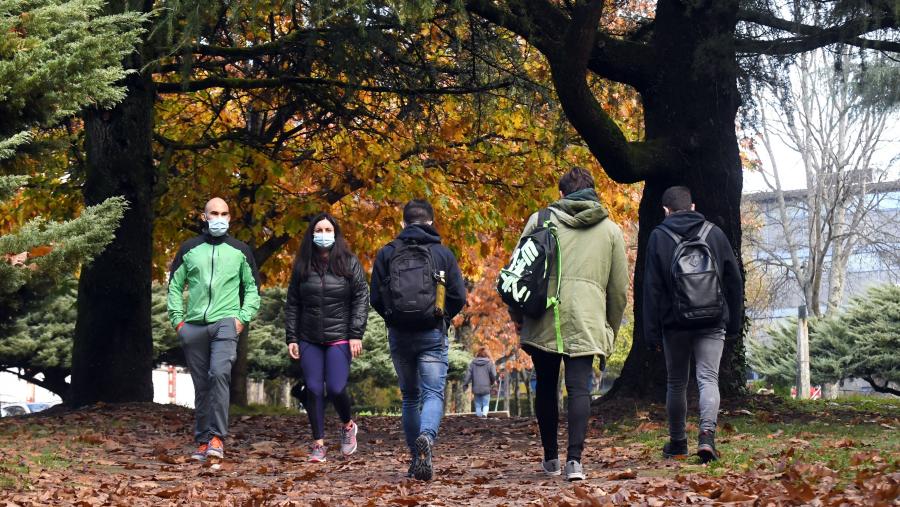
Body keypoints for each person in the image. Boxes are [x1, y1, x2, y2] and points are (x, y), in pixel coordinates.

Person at [509, 167, 628, 481]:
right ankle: (575, 461)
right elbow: (618, 290)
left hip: (544, 315)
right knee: (579, 389)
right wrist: (609, 328)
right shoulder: (611, 231)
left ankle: (551, 458)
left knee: (546, 386)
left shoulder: (540, 220)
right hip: (587, 318)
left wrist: (518, 317)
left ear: (561, 194)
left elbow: (517, 270)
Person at [643, 186, 743, 463]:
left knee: (676, 382)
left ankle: (677, 442)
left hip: (674, 324)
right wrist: (733, 321)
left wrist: (651, 333)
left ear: (666, 210)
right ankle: (707, 437)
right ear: (693, 206)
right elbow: (734, 281)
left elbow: (650, 288)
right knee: (708, 378)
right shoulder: (714, 233)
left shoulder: (658, 237)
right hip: (712, 320)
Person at [370, 199, 467, 481]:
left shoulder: (387, 253)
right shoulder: (442, 254)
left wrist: (392, 318)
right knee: (433, 394)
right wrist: (443, 317)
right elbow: (458, 296)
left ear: (403, 223)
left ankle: (416, 458)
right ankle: (427, 436)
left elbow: (376, 296)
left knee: (410, 397)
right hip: (432, 333)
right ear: (431, 221)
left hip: (400, 334)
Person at [167, 197, 261, 461]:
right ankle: (202, 441)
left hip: (225, 323)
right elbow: (175, 286)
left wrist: (241, 318)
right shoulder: (189, 249)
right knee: (202, 386)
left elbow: (252, 289)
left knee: (219, 374)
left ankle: (217, 438)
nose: (219, 217)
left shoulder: (240, 250)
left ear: (229, 217)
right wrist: (178, 321)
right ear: (204, 217)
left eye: (224, 213)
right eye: (214, 213)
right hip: (193, 326)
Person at [284, 212, 369, 463]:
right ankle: (318, 444)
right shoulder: (302, 265)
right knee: (312, 388)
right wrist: (292, 337)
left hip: (340, 335)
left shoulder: (349, 263)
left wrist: (355, 334)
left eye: (328, 230)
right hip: (308, 336)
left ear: (335, 234)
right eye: (319, 230)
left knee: (335, 387)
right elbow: (292, 303)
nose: (323, 235)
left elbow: (360, 299)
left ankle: (347, 425)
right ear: (312, 234)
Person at [463, 347, 497, 418]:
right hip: (486, 388)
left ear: (478, 353)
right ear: (488, 354)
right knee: (486, 403)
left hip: (476, 388)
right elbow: (493, 375)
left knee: (477, 404)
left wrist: (465, 384)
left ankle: (479, 416)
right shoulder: (490, 363)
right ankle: (484, 415)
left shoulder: (472, 363)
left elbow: (468, 375)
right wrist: (493, 381)